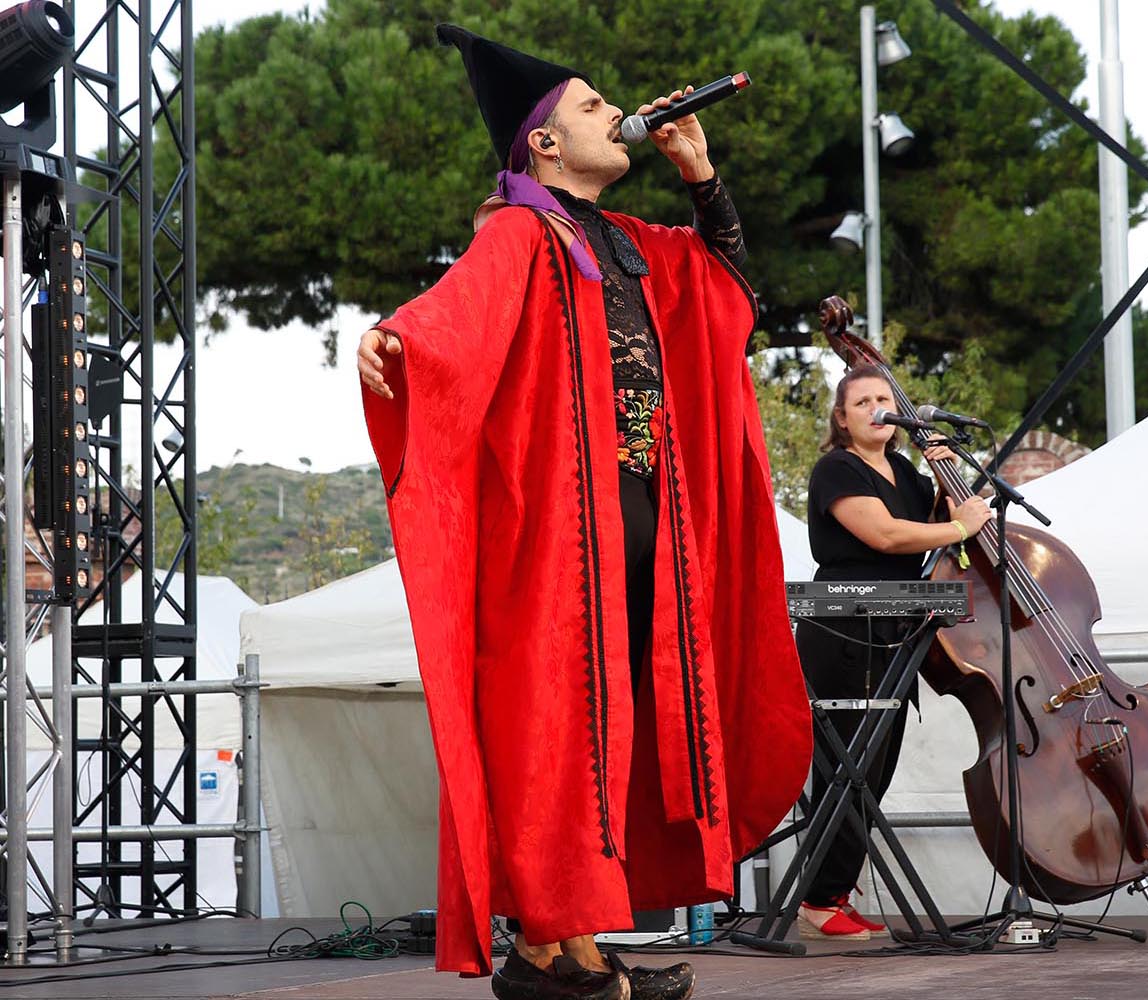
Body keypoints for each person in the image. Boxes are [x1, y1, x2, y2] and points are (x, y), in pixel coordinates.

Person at [356, 25, 811, 1000]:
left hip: (649, 529)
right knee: (553, 732)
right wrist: (391, 339)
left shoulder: (633, 242)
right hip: (562, 539)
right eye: (594, 105)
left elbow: (730, 296)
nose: (620, 113)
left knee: (614, 733)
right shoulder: (519, 230)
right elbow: (453, 315)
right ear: (544, 144)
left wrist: (703, 180)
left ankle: (565, 949)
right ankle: (549, 948)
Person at [793, 354, 991, 940]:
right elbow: (884, 534)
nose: (877, 410)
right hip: (843, 624)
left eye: (885, 401)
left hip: (895, 624)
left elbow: (952, 517)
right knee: (846, 766)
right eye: (862, 403)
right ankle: (815, 902)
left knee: (874, 771)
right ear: (842, 418)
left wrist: (950, 474)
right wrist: (959, 529)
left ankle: (830, 893)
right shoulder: (837, 469)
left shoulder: (906, 472)